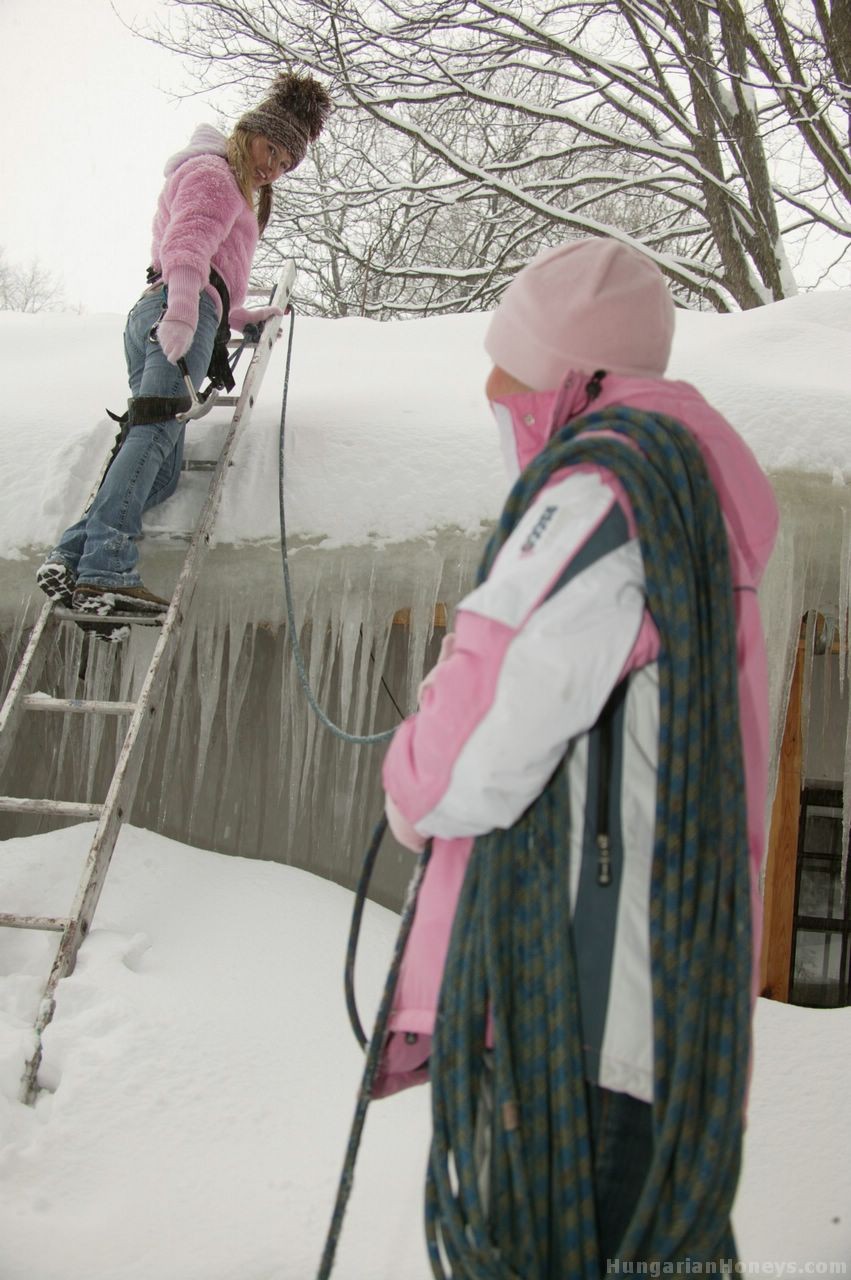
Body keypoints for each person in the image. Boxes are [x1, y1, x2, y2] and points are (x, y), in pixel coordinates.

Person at [376, 239, 779, 1270]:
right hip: (658, 1030)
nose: (491, 390)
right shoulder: (682, 499)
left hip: (576, 1028)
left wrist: (407, 777)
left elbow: (465, 758)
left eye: (508, 367)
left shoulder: (602, 490)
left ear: (567, 378)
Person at [36, 72, 331, 619]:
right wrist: (183, 312)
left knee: (163, 468)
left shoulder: (224, 180)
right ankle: (106, 571)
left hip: (177, 308)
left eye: (285, 163)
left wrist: (236, 314)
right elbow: (187, 246)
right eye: (270, 150)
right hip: (177, 310)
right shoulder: (216, 175)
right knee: (153, 435)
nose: (272, 167)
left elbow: (209, 265)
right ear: (249, 134)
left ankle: (72, 556)